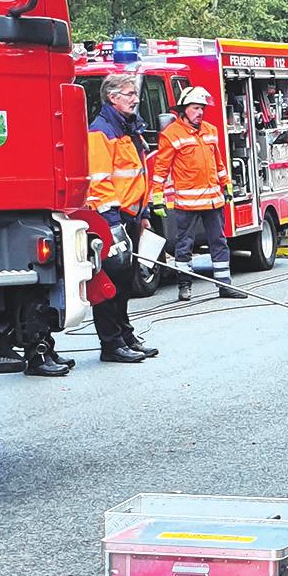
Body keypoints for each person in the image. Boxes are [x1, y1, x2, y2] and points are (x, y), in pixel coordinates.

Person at [87, 73, 159, 364]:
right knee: (110, 285)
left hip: (130, 216)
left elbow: (138, 174)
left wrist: (143, 214)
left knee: (126, 283)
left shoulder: (130, 128)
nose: (135, 98)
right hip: (111, 220)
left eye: (134, 93)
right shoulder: (101, 131)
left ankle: (125, 336)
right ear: (112, 97)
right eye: (129, 94)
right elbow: (99, 181)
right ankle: (111, 344)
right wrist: (112, 224)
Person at [152, 86, 238, 303]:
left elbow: (218, 161)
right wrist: (158, 198)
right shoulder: (171, 134)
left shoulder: (210, 130)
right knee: (184, 246)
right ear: (184, 109)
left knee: (219, 242)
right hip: (188, 203)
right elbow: (161, 169)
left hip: (213, 201)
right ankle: (184, 286)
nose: (200, 112)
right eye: (196, 108)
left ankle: (224, 284)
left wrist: (226, 184)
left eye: (202, 109)